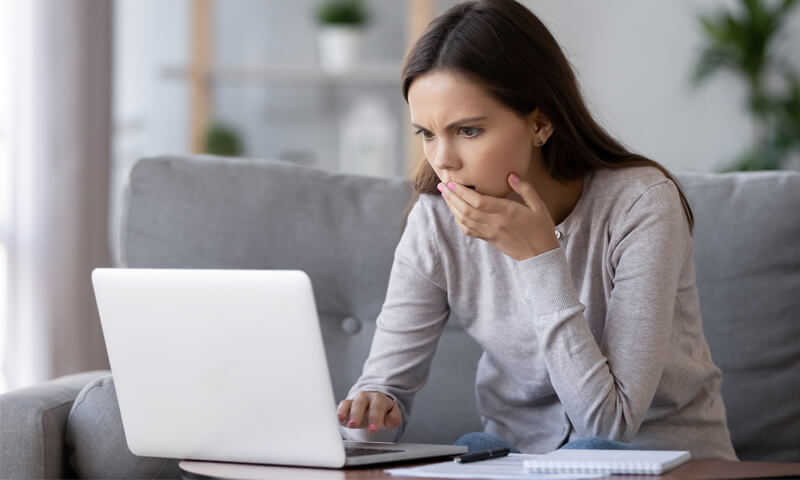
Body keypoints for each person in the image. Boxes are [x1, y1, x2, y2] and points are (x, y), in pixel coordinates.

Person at [336, 0, 737, 460]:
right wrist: (372, 409)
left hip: (658, 458)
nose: (442, 159)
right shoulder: (436, 220)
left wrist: (540, 260)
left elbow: (608, 425)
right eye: (426, 133)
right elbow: (382, 393)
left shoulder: (641, 204)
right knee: (474, 449)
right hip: (520, 461)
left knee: (587, 446)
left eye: (467, 130)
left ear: (540, 123)